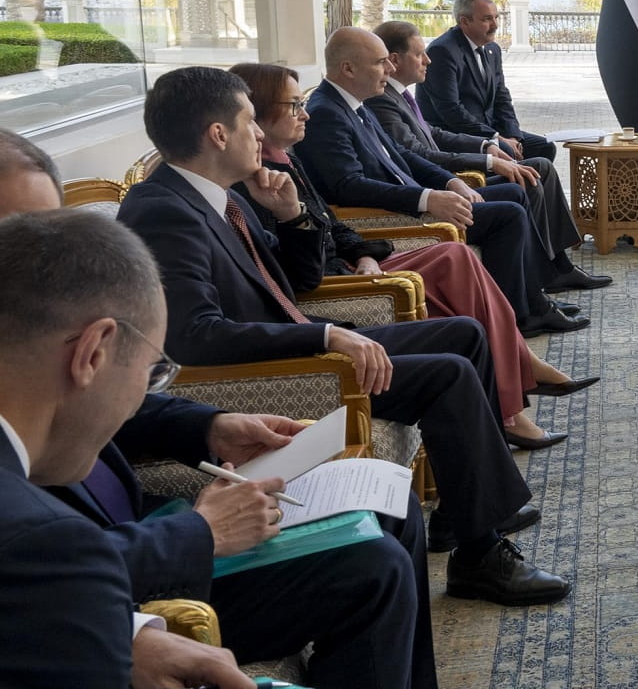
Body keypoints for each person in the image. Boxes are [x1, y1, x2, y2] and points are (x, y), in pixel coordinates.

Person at [0, 127, 445, 689]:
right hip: (136, 559)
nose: (35, 260)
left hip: (127, 541)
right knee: (366, 595)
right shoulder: (46, 541)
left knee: (381, 526)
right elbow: (40, 567)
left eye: (44, 230)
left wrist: (205, 425)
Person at [117, 66, 570, 604]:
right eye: (248, 123)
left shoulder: (223, 196)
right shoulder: (163, 211)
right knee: (446, 373)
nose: (260, 134)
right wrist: (326, 338)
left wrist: (290, 218)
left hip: (297, 338)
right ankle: (480, 554)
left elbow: (297, 283)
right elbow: (197, 337)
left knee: (463, 335)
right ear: (219, 134)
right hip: (275, 374)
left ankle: (463, 508)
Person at [232, 62, 594, 450]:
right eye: (292, 106)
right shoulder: (263, 173)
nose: (302, 112)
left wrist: (363, 251)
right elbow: (336, 204)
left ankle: (521, 365)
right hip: (334, 278)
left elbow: (334, 217)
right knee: (459, 255)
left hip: (354, 260)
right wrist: (410, 211)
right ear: (257, 113)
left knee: (456, 255)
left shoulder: (285, 157)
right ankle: (511, 400)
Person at [296, 27, 587, 338]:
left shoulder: (355, 104)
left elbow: (404, 155)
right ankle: (521, 314)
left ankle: (531, 299)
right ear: (348, 69)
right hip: (392, 213)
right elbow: (349, 186)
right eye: (381, 62)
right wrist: (427, 199)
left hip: (412, 198)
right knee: (507, 215)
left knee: (515, 193)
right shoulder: (326, 113)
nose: (390, 68)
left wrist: (449, 183)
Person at [366, 21, 608, 293]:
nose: (428, 60)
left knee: (539, 164)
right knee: (528, 178)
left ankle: (558, 265)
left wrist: (486, 144)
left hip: (450, 171)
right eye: (419, 54)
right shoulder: (381, 99)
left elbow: (434, 132)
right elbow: (422, 151)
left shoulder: (399, 95)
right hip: (438, 186)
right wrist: (487, 160)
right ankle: (545, 276)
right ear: (396, 60)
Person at [419, 0, 556, 160]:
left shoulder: (492, 49)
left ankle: (526, 184)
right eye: (487, 19)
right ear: (464, 21)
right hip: (458, 136)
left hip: (489, 129)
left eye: (496, 17)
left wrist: (513, 135)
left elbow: (501, 96)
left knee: (544, 147)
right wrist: (496, 138)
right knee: (509, 150)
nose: (495, 25)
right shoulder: (442, 51)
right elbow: (451, 110)